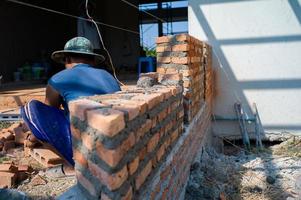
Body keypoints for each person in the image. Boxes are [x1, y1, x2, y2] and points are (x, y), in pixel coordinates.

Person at [21, 37, 121, 166]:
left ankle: (73, 165)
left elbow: (45, 118)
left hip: (87, 145)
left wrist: (33, 137)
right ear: (92, 60)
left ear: (67, 59)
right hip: (117, 136)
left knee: (32, 109)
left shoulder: (58, 79)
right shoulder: (108, 76)